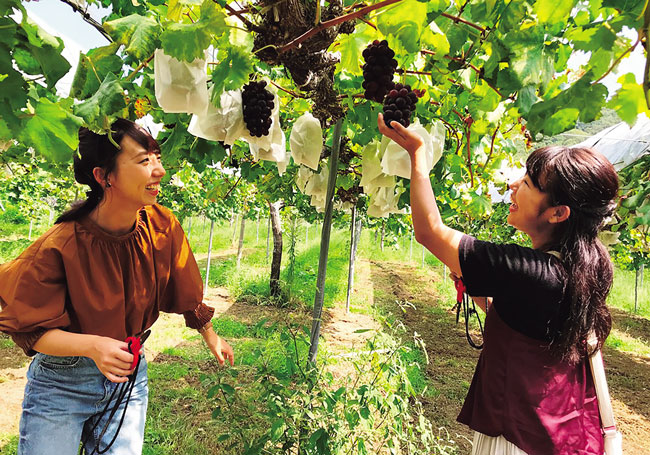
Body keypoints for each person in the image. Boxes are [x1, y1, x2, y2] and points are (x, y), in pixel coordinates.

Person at [378, 113, 619, 455]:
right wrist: (478, 292)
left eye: (529, 184)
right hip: (562, 434)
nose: (513, 186)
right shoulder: (584, 268)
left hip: (517, 438)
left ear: (558, 213)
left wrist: (419, 155)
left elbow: (429, 231)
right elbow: (529, 324)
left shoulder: (527, 270)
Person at [0, 119, 234, 455]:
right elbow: (32, 332)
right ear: (103, 176)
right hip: (63, 382)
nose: (159, 171)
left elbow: (183, 285)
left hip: (128, 374)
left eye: (157, 158)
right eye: (143, 160)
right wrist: (94, 346)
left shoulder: (161, 226)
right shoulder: (59, 246)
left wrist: (210, 334)